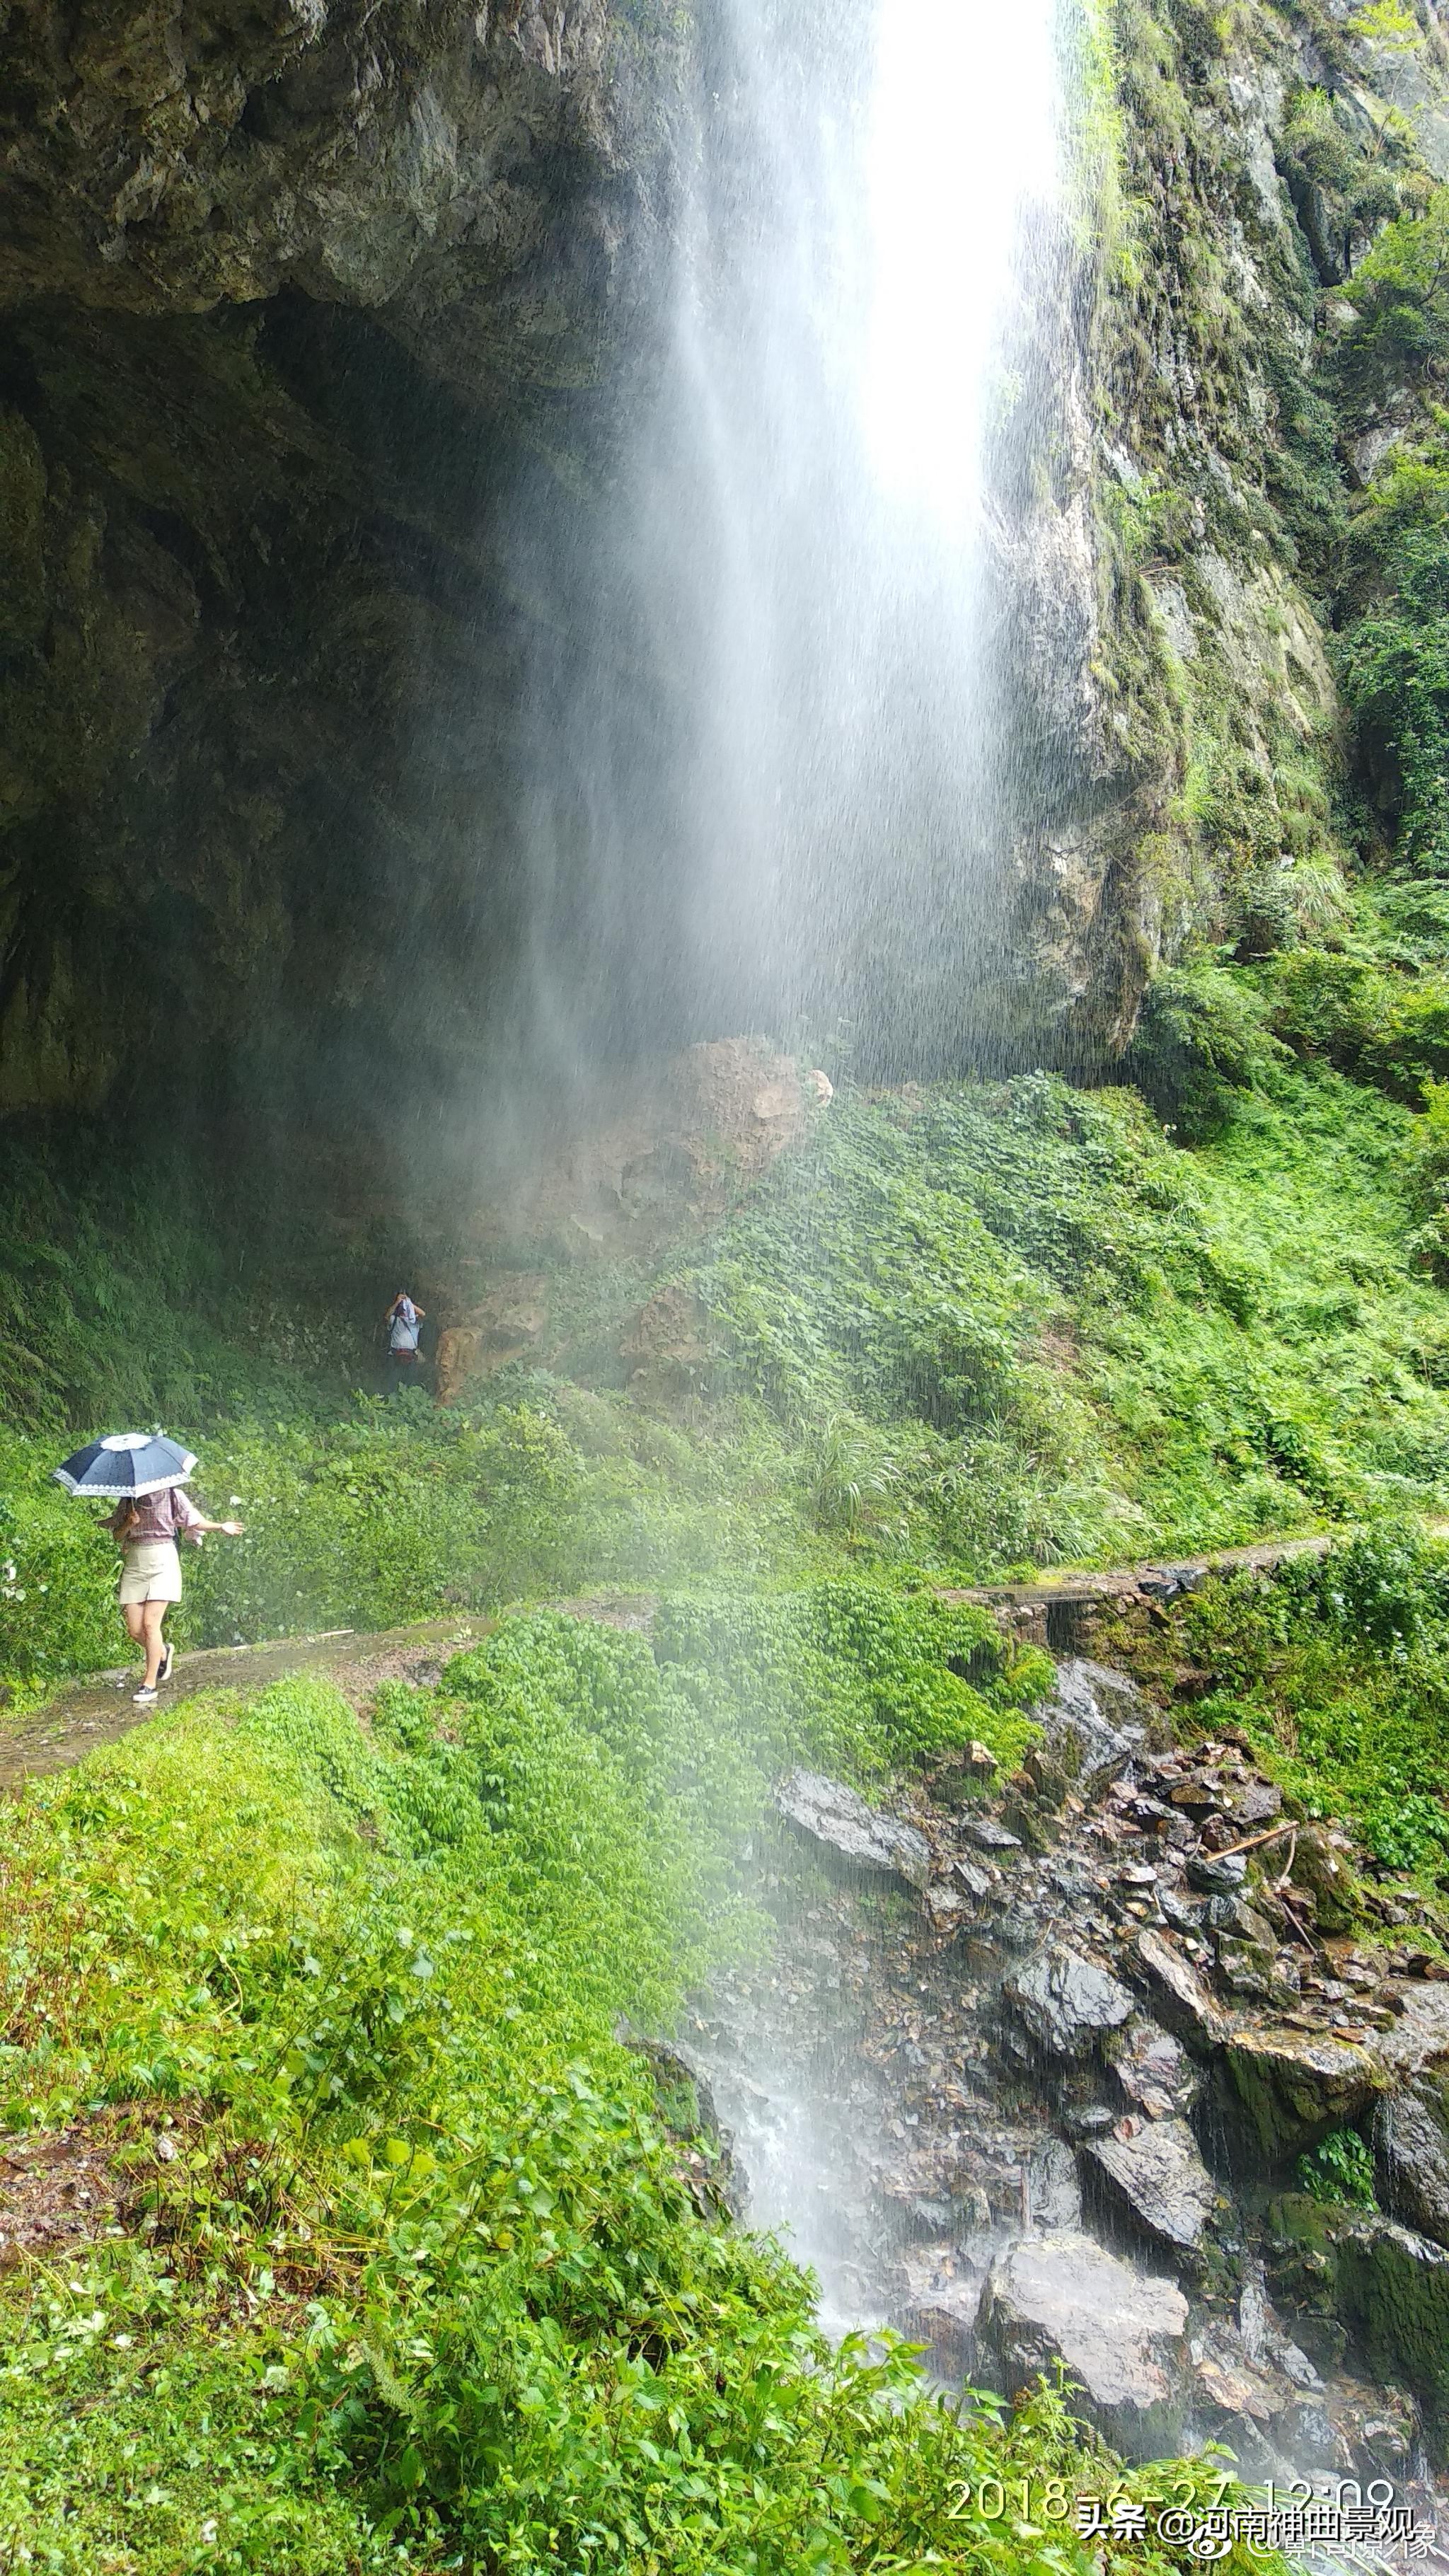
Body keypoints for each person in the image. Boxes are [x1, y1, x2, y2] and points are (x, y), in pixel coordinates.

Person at [108, 1484, 243, 1706]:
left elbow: (193, 1520)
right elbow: (117, 1535)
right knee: (134, 1630)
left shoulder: (172, 1494)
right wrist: (128, 1523)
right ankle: (162, 1651)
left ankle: (149, 1683)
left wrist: (220, 1527)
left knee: (151, 1625)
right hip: (135, 1561)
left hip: (163, 1559)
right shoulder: (129, 1498)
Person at [384, 1289, 426, 1395]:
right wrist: (398, 1302)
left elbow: (423, 1314)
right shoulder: (395, 1319)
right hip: (395, 1356)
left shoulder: (414, 1321)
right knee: (393, 1384)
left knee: (409, 1385)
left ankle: (407, 1405)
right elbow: (387, 1316)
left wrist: (409, 1303)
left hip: (411, 1357)